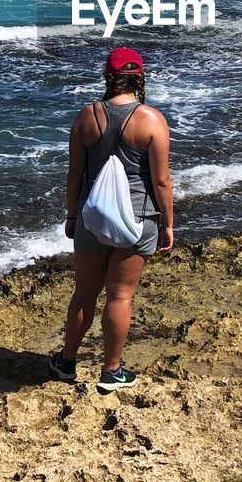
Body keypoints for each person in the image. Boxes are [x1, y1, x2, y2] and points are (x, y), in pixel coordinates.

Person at [50, 46, 174, 392]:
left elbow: (74, 174)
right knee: (120, 297)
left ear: (108, 76)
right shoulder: (151, 120)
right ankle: (111, 372)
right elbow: (161, 180)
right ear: (140, 78)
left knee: (84, 295)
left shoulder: (87, 116)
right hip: (138, 218)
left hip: (92, 217)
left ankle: (66, 362)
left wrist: (72, 215)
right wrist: (167, 224)